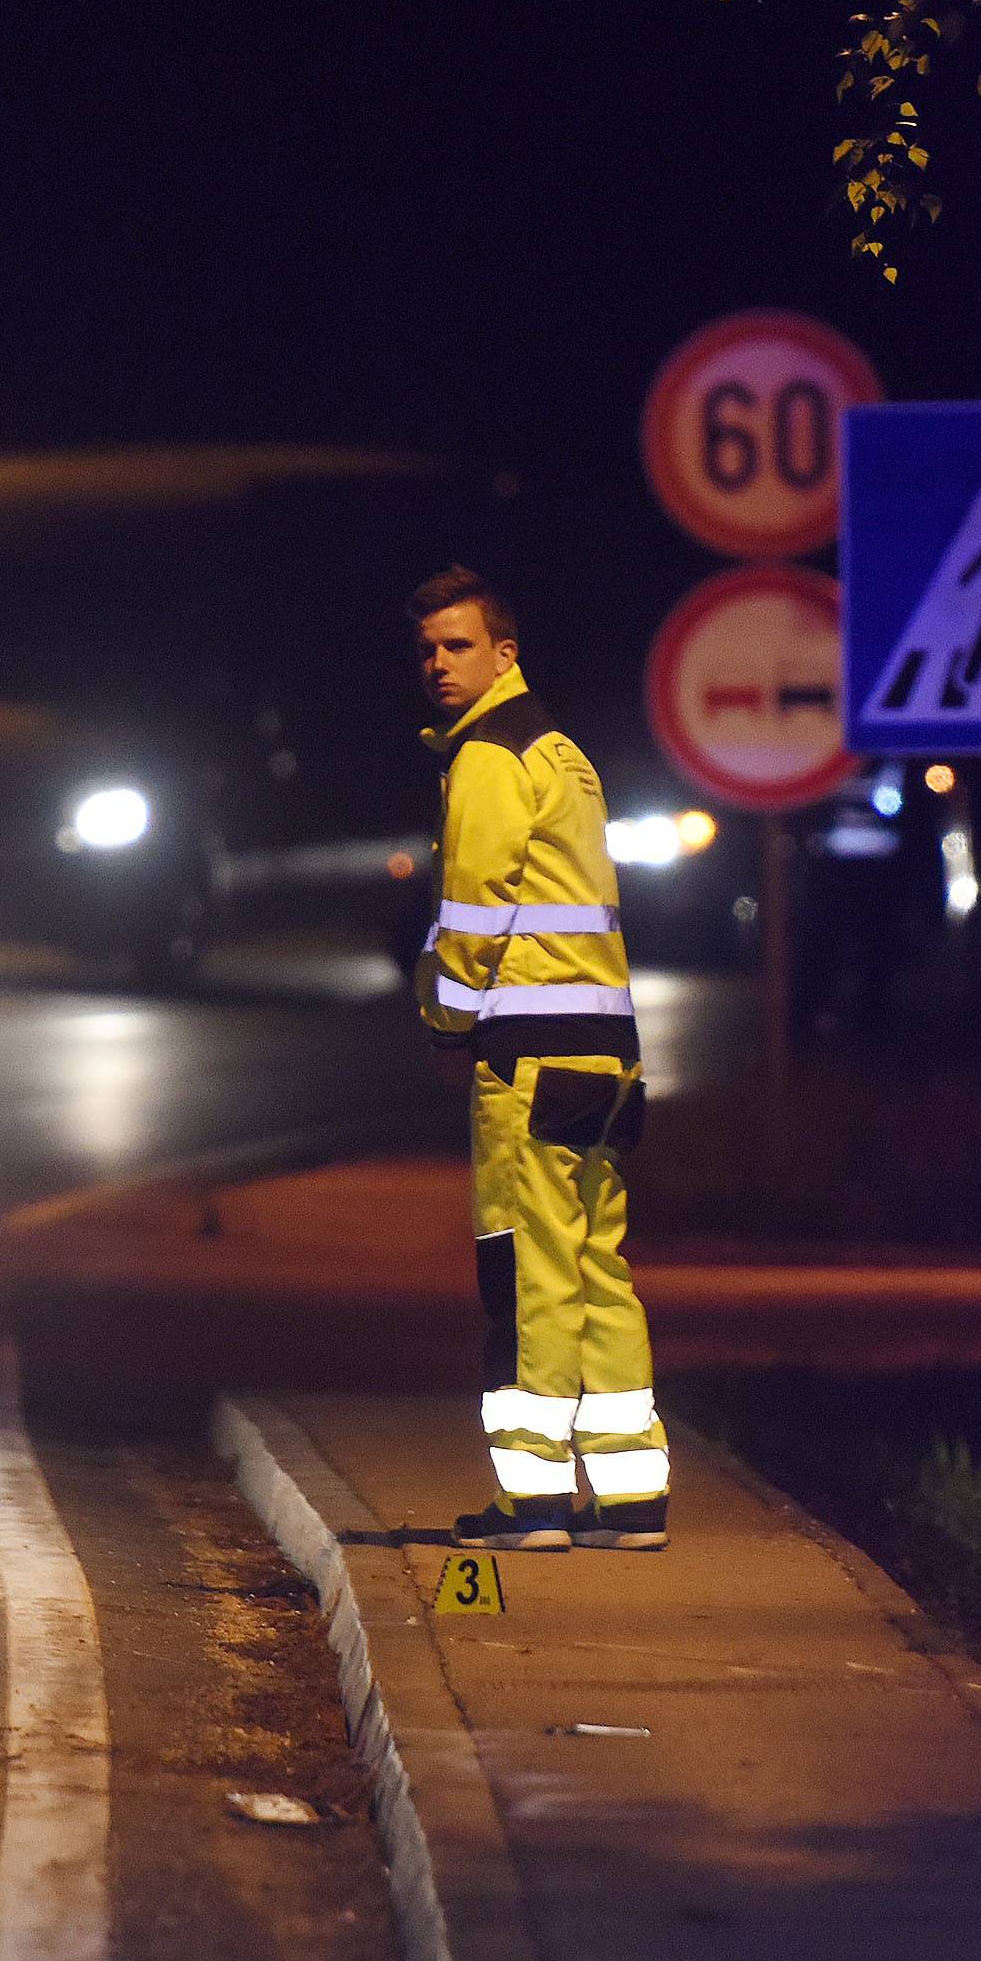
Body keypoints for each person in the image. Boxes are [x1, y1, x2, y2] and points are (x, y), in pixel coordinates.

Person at [410, 566, 669, 1550]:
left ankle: (535, 1501)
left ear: (503, 652)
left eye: (458, 644)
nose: (438, 663)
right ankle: (633, 1492)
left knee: (530, 1274)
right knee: (600, 1268)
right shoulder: (566, 755)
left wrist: (445, 1024)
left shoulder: (487, 757)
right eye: (428, 648)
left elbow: (473, 916)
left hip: (524, 1055)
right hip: (607, 1056)